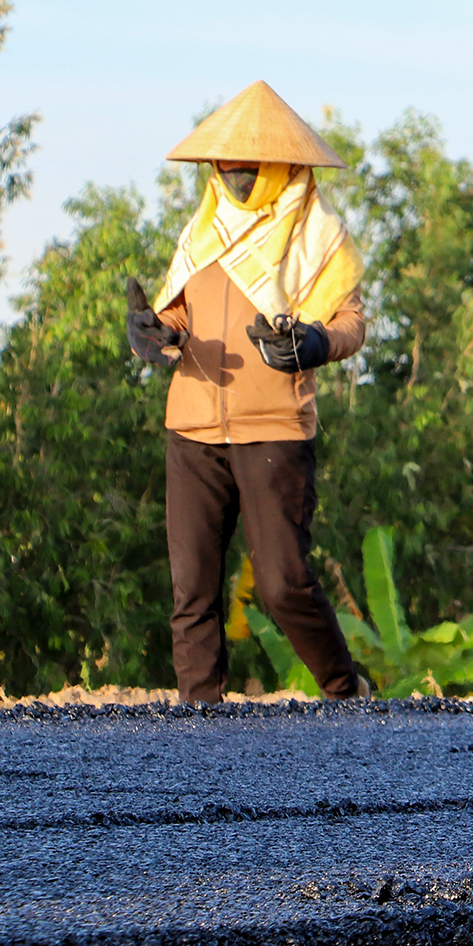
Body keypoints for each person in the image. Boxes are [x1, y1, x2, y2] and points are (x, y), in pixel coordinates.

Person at [124, 81, 369, 703]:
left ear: (280, 165)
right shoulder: (201, 234)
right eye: (225, 168)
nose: (234, 178)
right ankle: (202, 726)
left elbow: (350, 324)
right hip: (193, 429)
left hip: (276, 430)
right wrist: (153, 333)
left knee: (285, 584)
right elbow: (178, 318)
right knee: (193, 591)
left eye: (247, 168)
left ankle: (346, 694)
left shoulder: (318, 238)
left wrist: (315, 342)